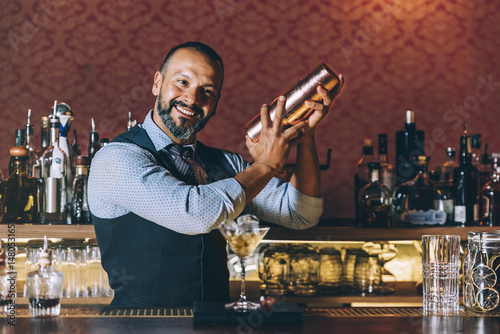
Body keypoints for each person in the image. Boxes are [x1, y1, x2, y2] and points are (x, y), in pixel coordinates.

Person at [88, 41, 335, 308]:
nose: (192, 99)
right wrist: (265, 166)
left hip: (214, 322)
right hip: (141, 324)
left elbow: (301, 215)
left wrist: (305, 134)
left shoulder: (225, 163)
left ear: (215, 104)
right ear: (157, 83)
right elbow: (196, 214)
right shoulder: (116, 158)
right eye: (182, 82)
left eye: (207, 92)